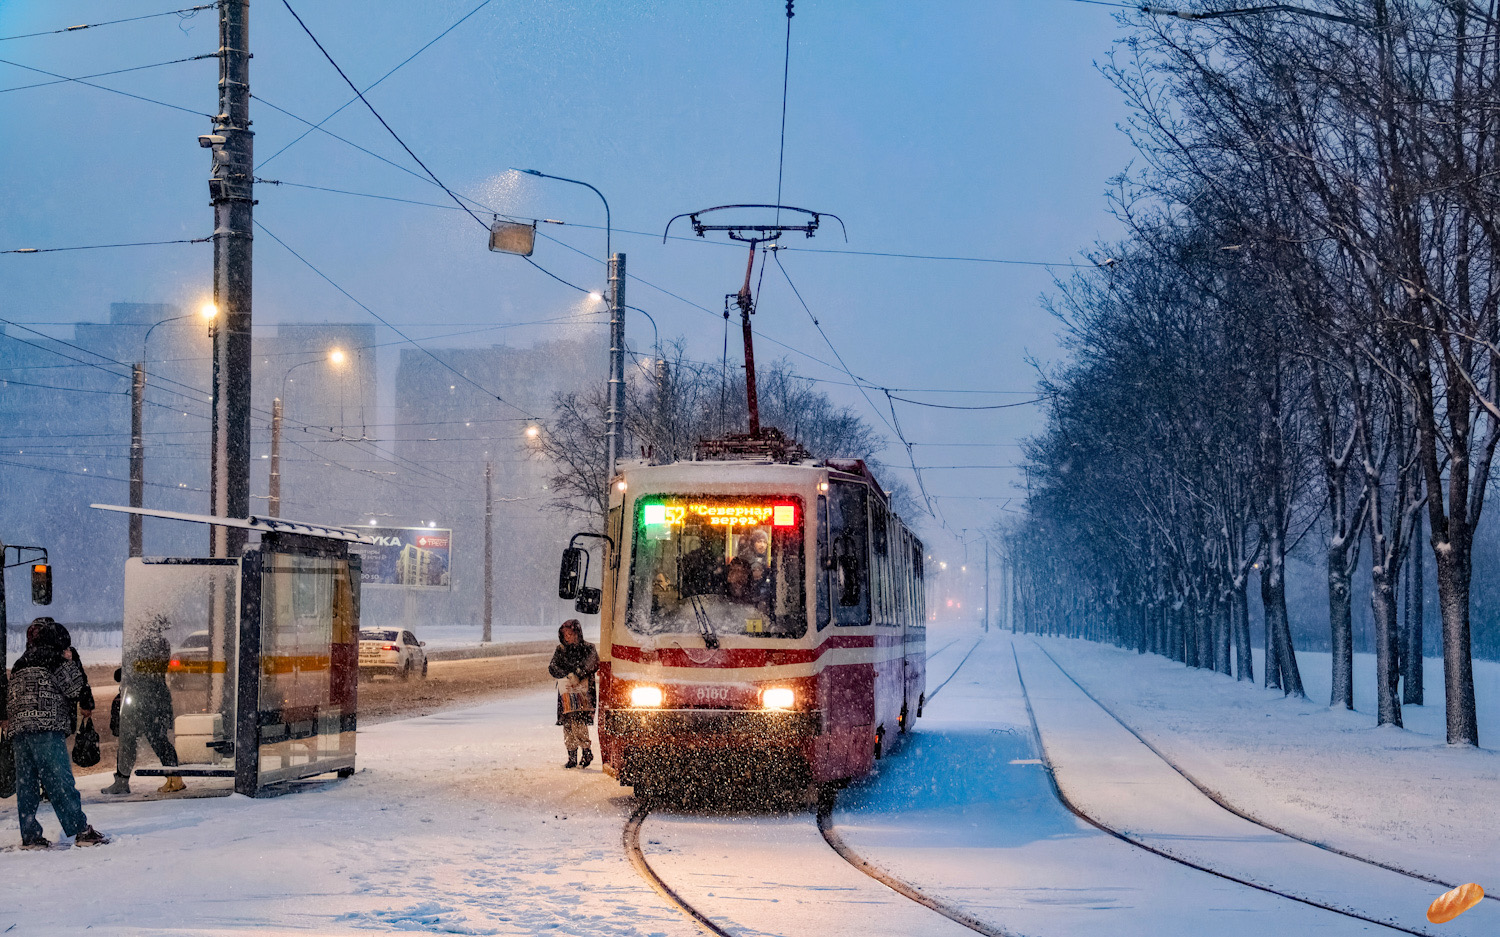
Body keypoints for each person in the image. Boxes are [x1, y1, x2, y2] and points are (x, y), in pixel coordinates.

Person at [2, 619, 108, 848]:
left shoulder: (22, 661)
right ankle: (80, 830)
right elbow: (74, 688)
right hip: (45, 727)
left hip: (20, 729)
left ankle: (30, 836)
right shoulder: (54, 658)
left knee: (27, 784)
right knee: (59, 780)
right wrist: (69, 662)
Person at [101, 614, 184, 796]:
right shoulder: (160, 643)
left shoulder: (150, 644)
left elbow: (138, 670)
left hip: (144, 699)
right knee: (152, 738)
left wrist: (124, 674)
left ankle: (125, 781)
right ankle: (172, 777)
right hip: (151, 698)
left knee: (139, 739)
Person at [547, 619, 598, 769]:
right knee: (568, 724)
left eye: (571, 634)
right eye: (565, 634)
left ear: (577, 634)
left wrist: (579, 673)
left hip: (583, 693)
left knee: (579, 722)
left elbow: (593, 663)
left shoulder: (588, 648)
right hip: (566, 694)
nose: (568, 637)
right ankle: (572, 755)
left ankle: (586, 751)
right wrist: (567, 674)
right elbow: (553, 666)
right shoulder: (561, 650)